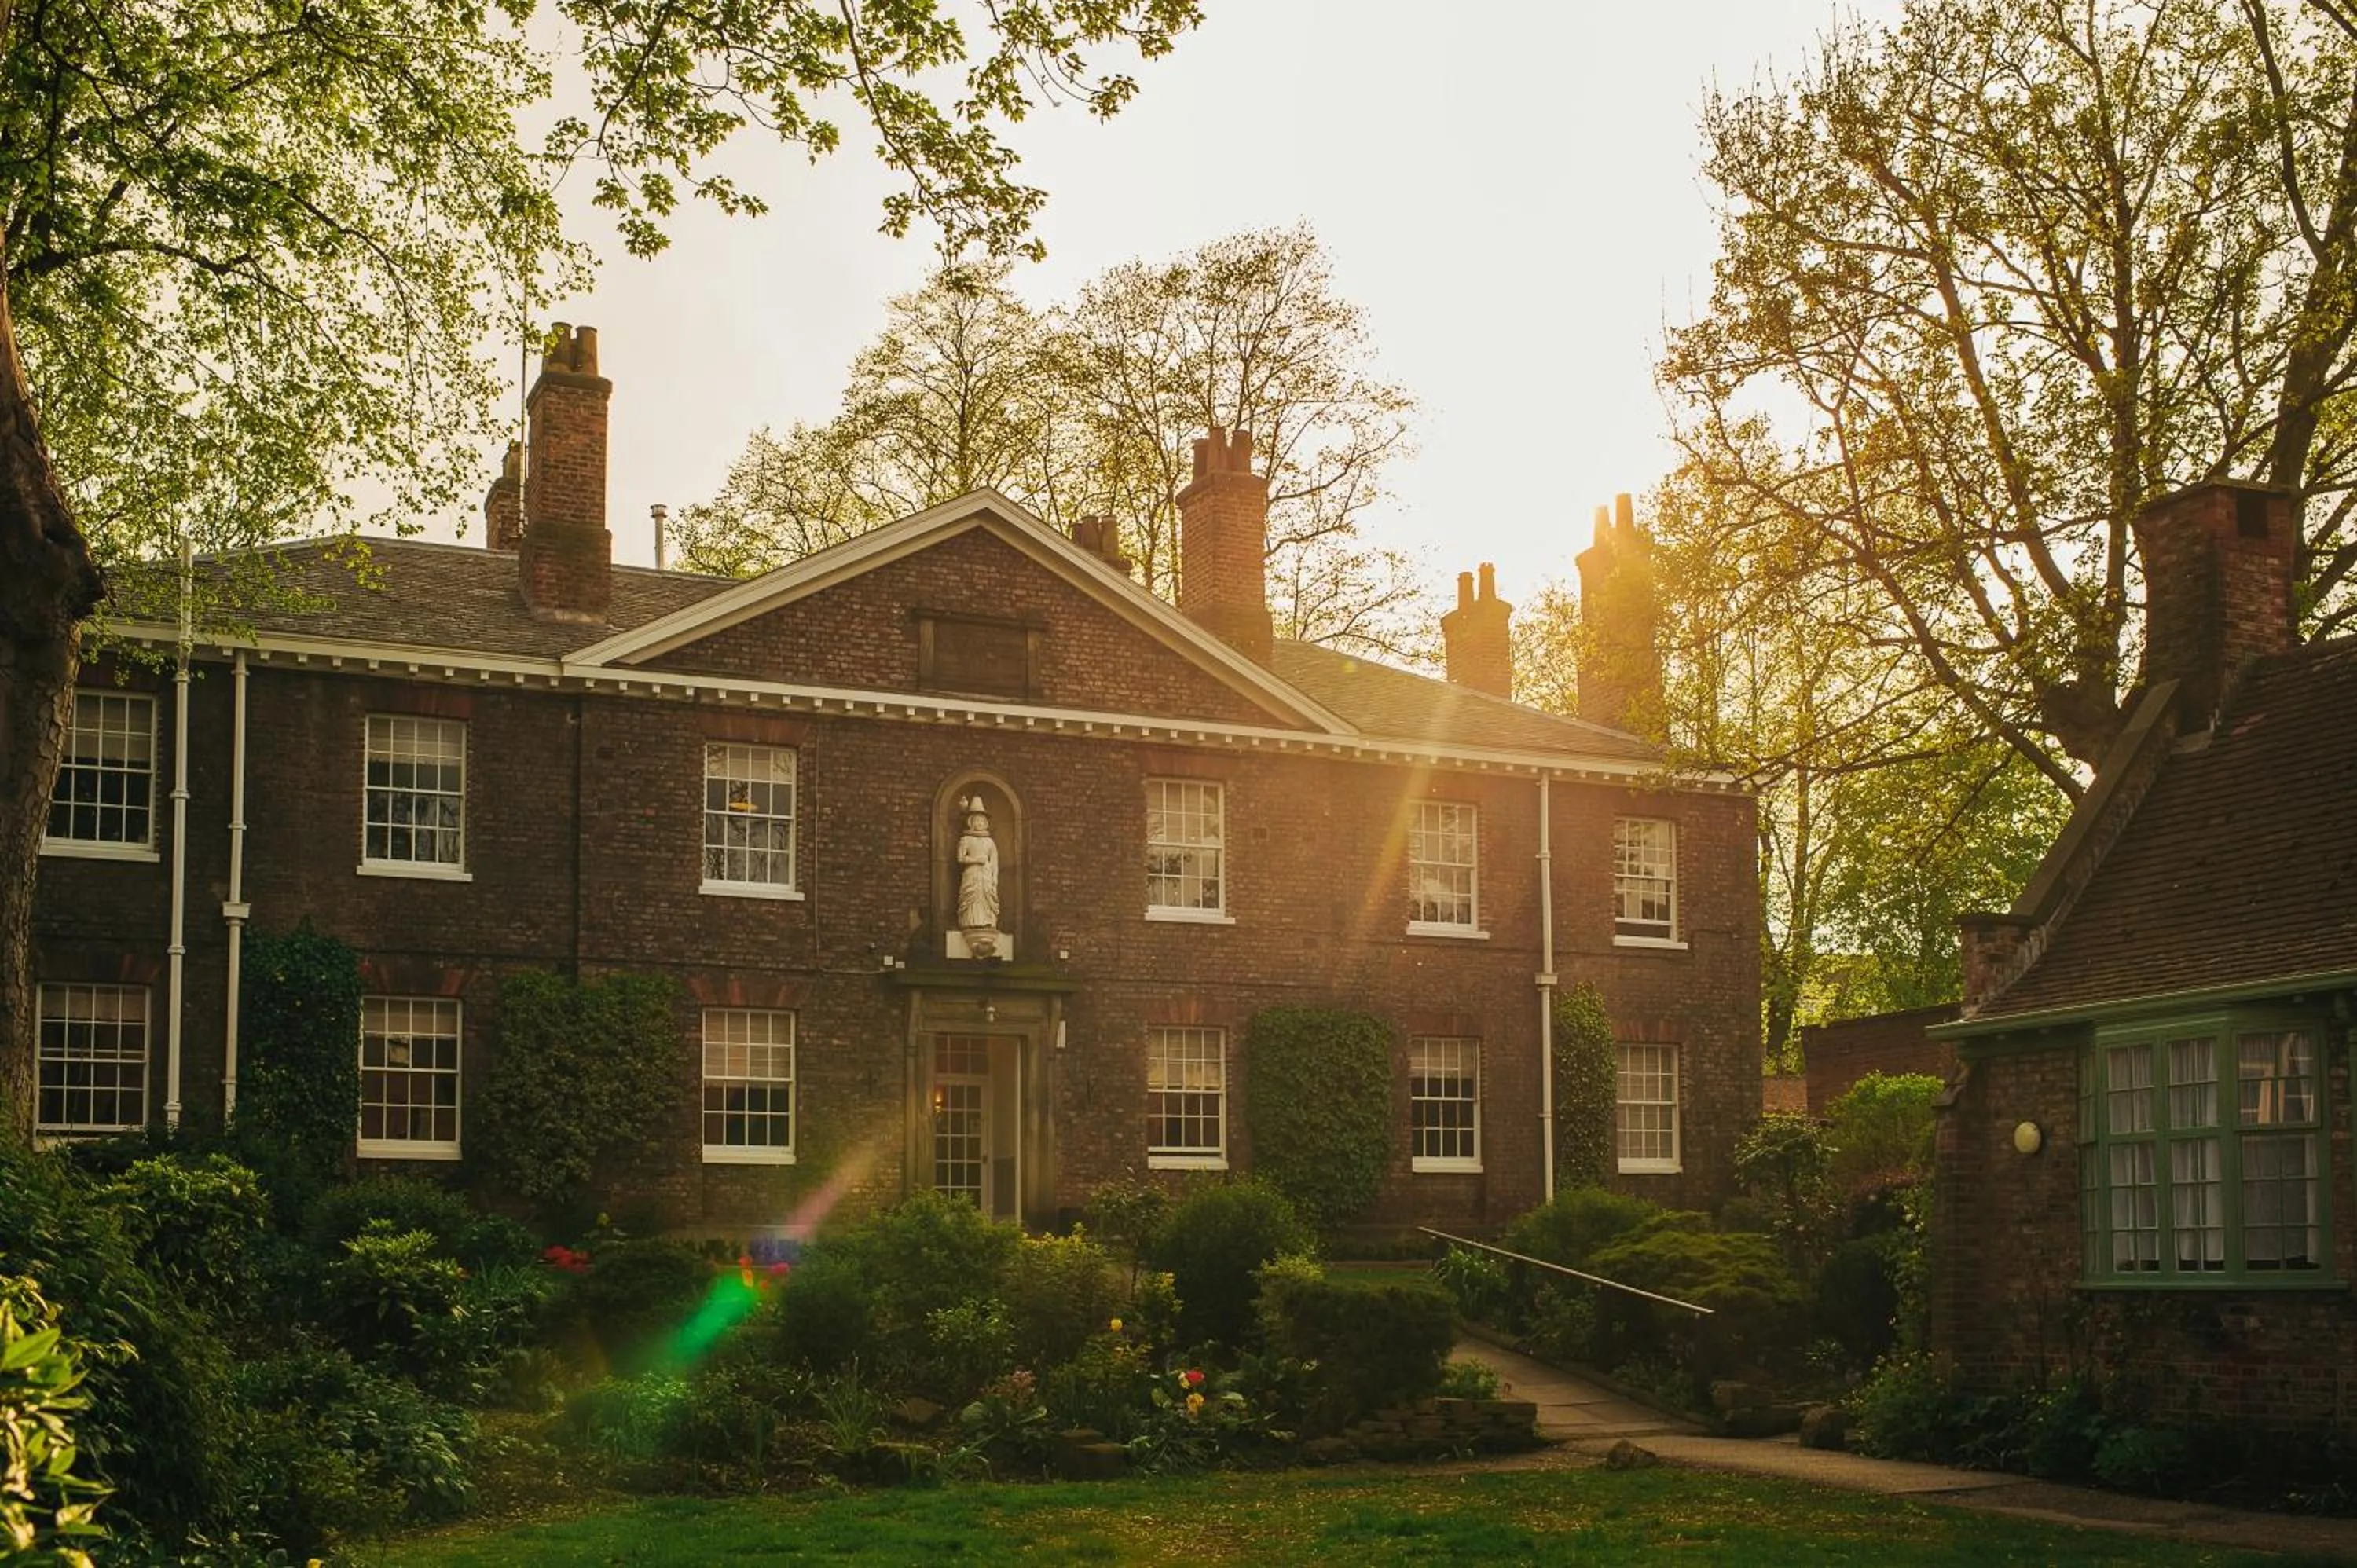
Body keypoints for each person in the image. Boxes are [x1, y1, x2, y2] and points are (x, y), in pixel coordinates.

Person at [956, 796, 1000, 950]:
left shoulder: (990, 842)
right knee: (973, 897)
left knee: (985, 897)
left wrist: (994, 879)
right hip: (972, 874)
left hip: (986, 876)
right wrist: (976, 860)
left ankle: (987, 921)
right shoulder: (966, 839)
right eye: (977, 820)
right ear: (971, 822)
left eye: (982, 821)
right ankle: (972, 922)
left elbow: (994, 862)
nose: (980, 823)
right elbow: (961, 858)